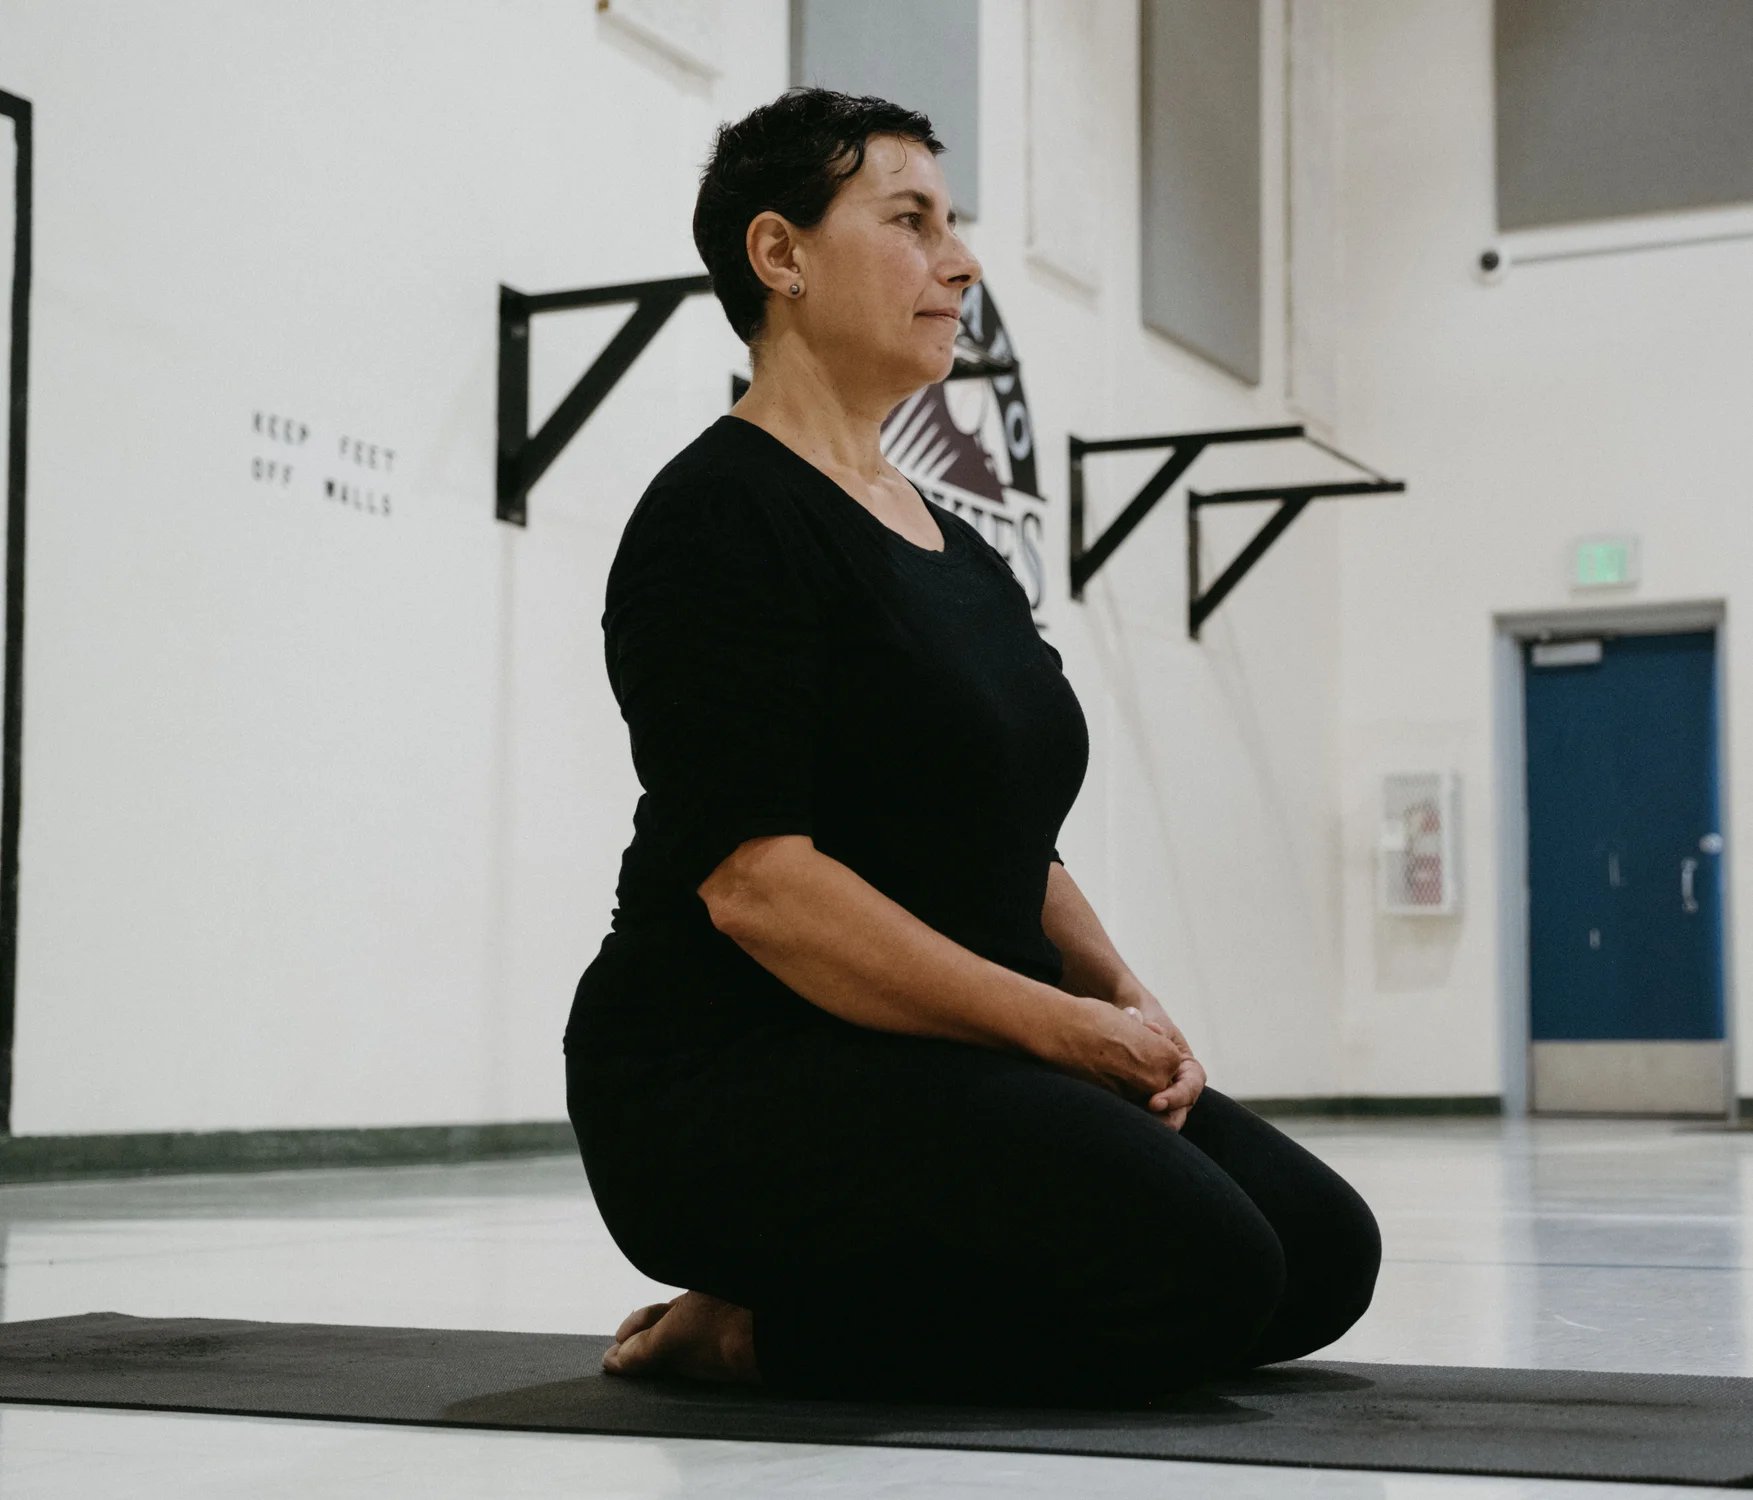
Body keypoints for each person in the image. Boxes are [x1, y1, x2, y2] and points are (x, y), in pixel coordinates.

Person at [564, 87, 1380, 1407]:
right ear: (781, 254)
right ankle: (749, 1336)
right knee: (1207, 1272)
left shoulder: (957, 540)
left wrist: (1125, 1000)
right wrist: (1060, 1032)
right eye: (912, 221)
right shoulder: (718, 517)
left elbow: (1011, 835)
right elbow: (758, 884)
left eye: (955, 225)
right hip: (730, 1073)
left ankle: (847, 1299)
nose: (962, 263)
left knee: (1322, 1256)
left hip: (942, 1053)